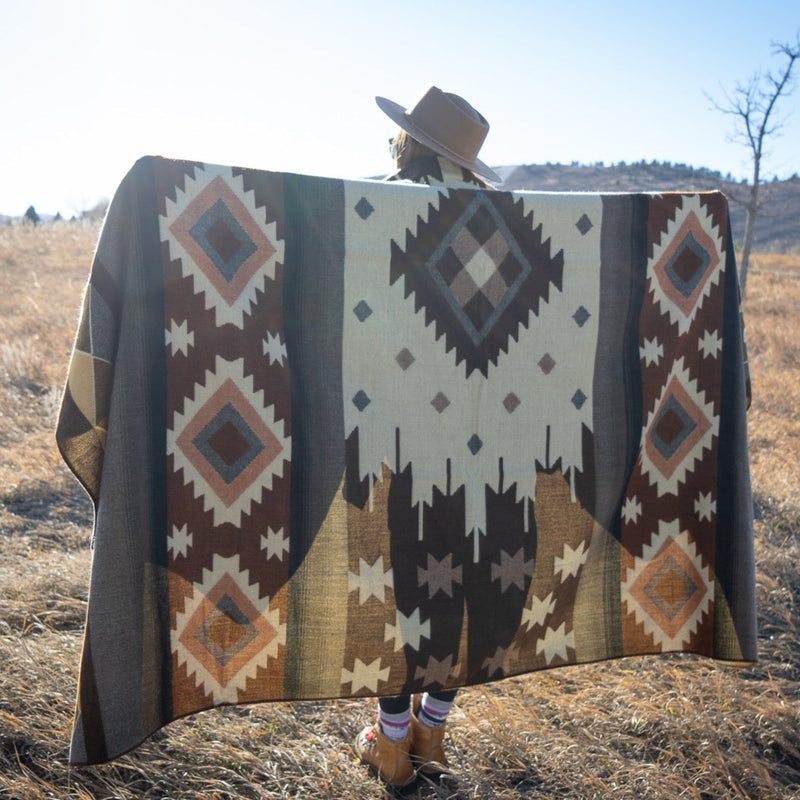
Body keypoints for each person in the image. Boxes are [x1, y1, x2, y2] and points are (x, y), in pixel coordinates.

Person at [354, 85, 500, 789]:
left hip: (391, 426)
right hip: (482, 430)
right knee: (463, 584)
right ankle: (431, 736)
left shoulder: (374, 203)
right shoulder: (502, 225)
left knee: (393, 586)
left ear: (407, 140)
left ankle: (389, 747)